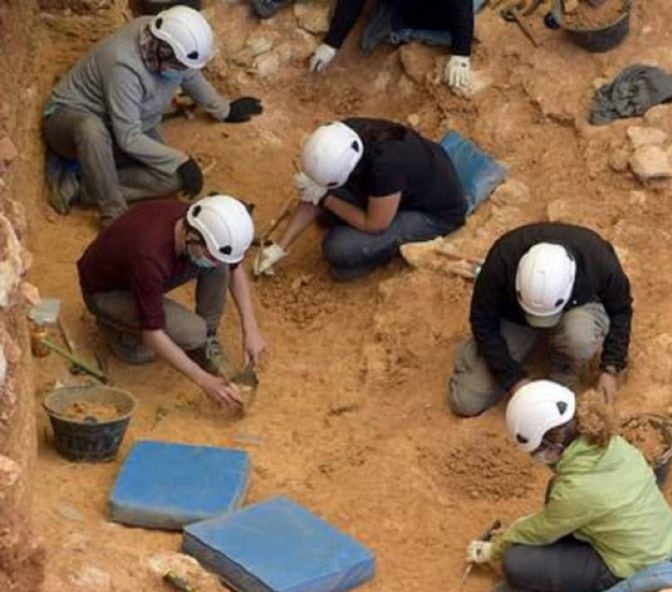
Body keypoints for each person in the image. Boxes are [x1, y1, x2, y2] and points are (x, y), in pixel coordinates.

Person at [465, 381, 672, 592]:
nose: (536, 458)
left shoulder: (576, 489)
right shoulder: (607, 442)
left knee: (515, 562)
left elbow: (542, 530)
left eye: (536, 451)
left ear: (551, 445)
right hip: (656, 538)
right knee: (554, 491)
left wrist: (495, 548)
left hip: (635, 564)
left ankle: (537, 589)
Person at [44, 6, 264, 227]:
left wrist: (223, 109)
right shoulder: (123, 66)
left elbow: (189, 74)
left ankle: (79, 184)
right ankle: (112, 213)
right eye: (178, 64)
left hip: (125, 123)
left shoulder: (164, 38)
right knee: (91, 129)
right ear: (163, 50)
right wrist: (182, 160)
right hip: (69, 121)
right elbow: (128, 137)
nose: (181, 70)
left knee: (172, 178)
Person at [77, 195, 268, 412]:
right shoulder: (149, 255)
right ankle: (114, 326)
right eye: (209, 254)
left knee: (220, 265)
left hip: (145, 274)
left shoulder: (201, 223)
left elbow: (233, 268)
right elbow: (153, 334)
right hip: (108, 292)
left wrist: (251, 329)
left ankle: (207, 340)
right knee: (191, 333)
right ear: (193, 236)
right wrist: (205, 381)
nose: (214, 261)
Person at [448, 223, 633, 418]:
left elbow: (621, 309)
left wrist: (611, 368)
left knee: (579, 337)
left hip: (578, 308)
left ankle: (564, 367)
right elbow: (483, 321)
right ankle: (474, 354)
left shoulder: (597, 258)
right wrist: (514, 380)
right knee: (465, 401)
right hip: (516, 318)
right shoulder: (501, 261)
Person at [253, 119, 467, 281]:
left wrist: (325, 198)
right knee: (328, 212)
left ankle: (380, 256)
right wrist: (280, 246)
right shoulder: (342, 137)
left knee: (339, 250)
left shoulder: (386, 166)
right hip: (403, 186)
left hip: (434, 214)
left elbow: (374, 224)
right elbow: (314, 192)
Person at [308, 0, 481, 91]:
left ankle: (392, 20)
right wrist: (331, 43)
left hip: (435, 8)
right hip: (414, 10)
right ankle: (394, 26)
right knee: (458, 29)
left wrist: (460, 55)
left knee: (464, 24)